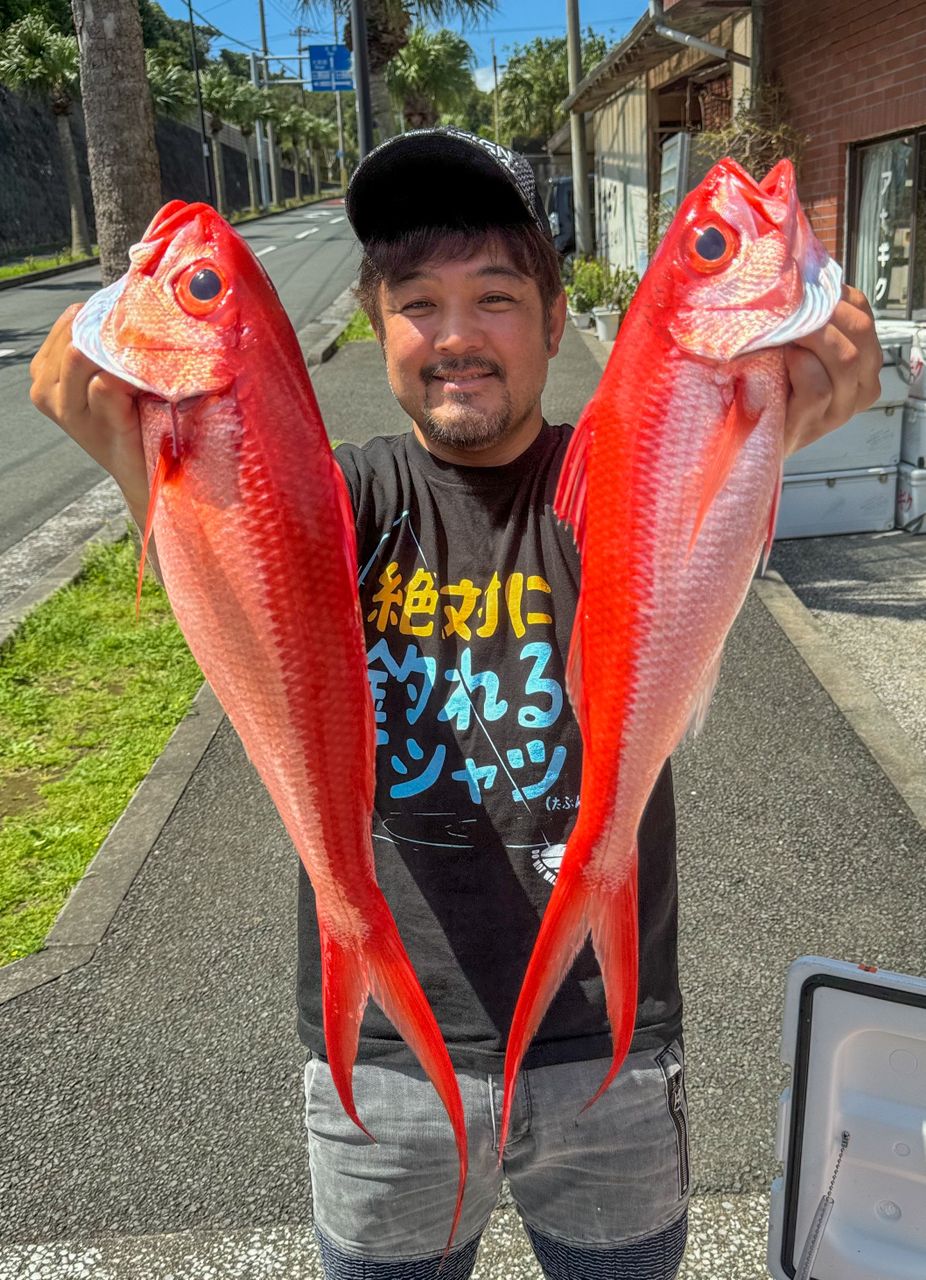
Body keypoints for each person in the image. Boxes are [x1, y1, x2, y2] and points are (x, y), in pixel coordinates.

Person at [30, 128, 881, 1280]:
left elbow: (682, 514)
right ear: (378, 324)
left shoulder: (612, 476)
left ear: (547, 319)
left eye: (494, 296)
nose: (456, 335)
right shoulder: (349, 500)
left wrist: (768, 424)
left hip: (607, 1051)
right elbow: (249, 560)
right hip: (381, 1056)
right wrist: (143, 463)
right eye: (417, 300)